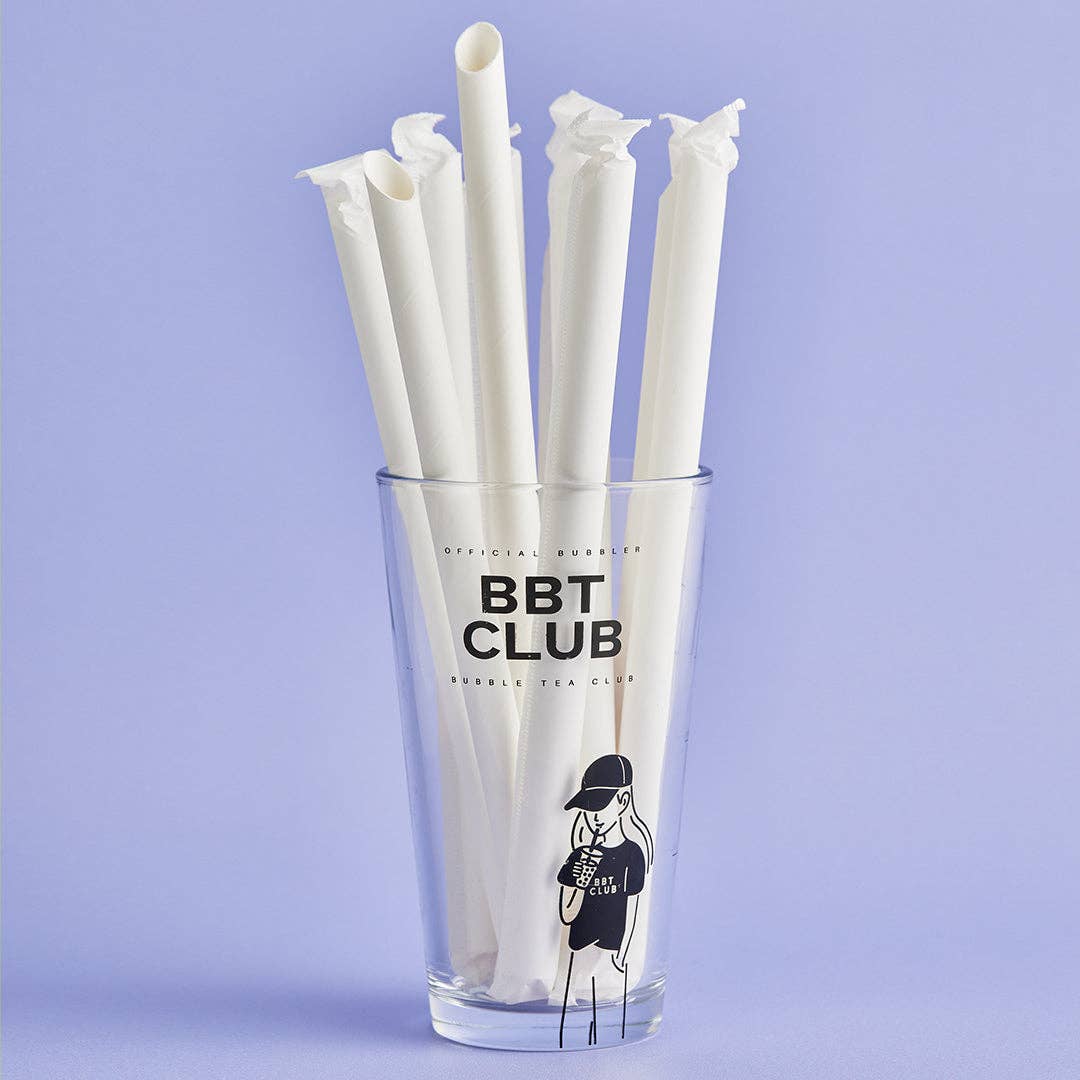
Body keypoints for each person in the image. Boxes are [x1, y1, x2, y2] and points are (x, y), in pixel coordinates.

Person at [556, 754, 653, 1047]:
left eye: (600, 805)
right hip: (577, 953)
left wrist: (624, 954)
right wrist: (580, 881)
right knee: (569, 1023)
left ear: (623, 801)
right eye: (588, 808)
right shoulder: (578, 857)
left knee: (606, 1018)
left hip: (610, 954)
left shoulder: (632, 854)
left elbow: (634, 907)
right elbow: (567, 914)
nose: (594, 816)